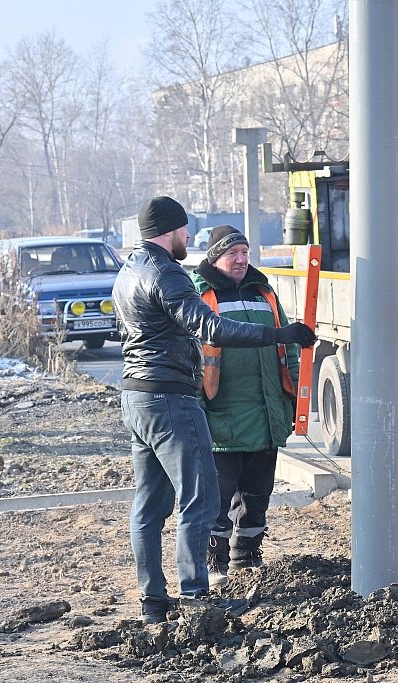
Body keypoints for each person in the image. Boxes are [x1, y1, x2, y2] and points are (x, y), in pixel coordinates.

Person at [112, 196, 315, 624]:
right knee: (200, 500)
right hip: (170, 397)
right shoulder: (166, 273)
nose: (189, 239)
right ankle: (195, 597)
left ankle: (153, 603)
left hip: (136, 396)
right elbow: (211, 327)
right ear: (172, 229)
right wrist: (279, 334)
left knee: (149, 507)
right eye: (185, 230)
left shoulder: (128, 271)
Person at [190, 225, 300, 586]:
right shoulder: (200, 294)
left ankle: (247, 557)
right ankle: (215, 565)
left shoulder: (263, 292)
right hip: (220, 417)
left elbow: (288, 350)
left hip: (265, 414)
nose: (240, 260)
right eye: (232, 253)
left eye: (245, 253)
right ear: (214, 257)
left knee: (257, 495)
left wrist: (291, 397)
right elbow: (192, 357)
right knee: (217, 499)